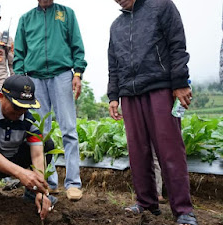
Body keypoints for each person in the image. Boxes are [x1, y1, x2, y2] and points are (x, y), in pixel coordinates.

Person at [108, 0, 197, 224]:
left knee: (170, 149)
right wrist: (113, 96)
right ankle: (146, 203)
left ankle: (183, 210)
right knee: (137, 151)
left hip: (160, 87)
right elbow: (113, 64)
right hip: (129, 92)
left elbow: (177, 44)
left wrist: (179, 82)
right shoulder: (116, 26)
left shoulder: (161, 6)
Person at [13, 0, 87, 201]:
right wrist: (20, 79)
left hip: (62, 74)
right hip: (34, 77)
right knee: (40, 132)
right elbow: (19, 52)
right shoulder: (26, 19)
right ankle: (49, 182)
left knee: (69, 129)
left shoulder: (66, 13)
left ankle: (73, 183)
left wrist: (77, 73)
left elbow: (77, 45)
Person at [0, 75, 57, 219]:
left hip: (13, 159)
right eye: (16, 106)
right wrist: (21, 174)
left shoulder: (29, 119)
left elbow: (37, 155)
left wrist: (39, 190)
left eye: (25, 107)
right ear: (1, 96)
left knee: (46, 145)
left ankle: (31, 193)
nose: (20, 112)